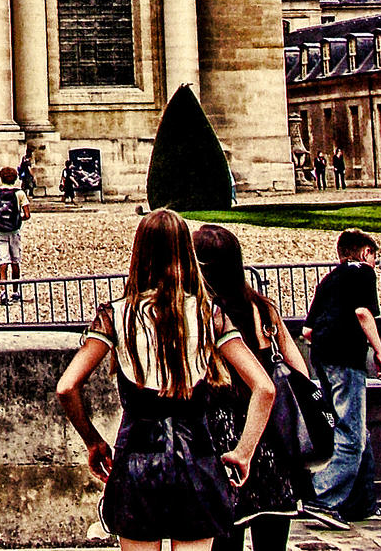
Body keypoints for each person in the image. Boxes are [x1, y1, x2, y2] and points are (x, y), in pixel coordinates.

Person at [56, 208, 274, 548]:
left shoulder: (115, 315)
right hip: (198, 460)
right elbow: (264, 388)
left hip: (136, 459)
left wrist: (93, 441)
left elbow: (66, 386)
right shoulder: (209, 313)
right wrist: (243, 451)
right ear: (187, 251)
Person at [193, 223, 314, 551]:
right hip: (272, 438)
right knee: (272, 542)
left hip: (224, 440)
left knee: (223, 542)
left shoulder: (204, 318)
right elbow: (299, 372)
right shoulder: (265, 309)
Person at [303, 228, 381, 514]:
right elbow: (363, 313)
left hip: (322, 358)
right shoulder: (363, 272)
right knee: (351, 435)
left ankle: (360, 503)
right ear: (366, 253)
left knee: (356, 429)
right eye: (374, 258)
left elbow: (306, 331)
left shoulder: (329, 279)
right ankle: (320, 496)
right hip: (347, 358)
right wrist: (379, 350)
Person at [0, 164, 30, 304]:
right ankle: (15, 292)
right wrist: (17, 219)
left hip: (0, 231)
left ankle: (3, 291)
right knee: (15, 261)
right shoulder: (19, 193)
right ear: (16, 178)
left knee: (3, 261)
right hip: (14, 231)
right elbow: (27, 214)